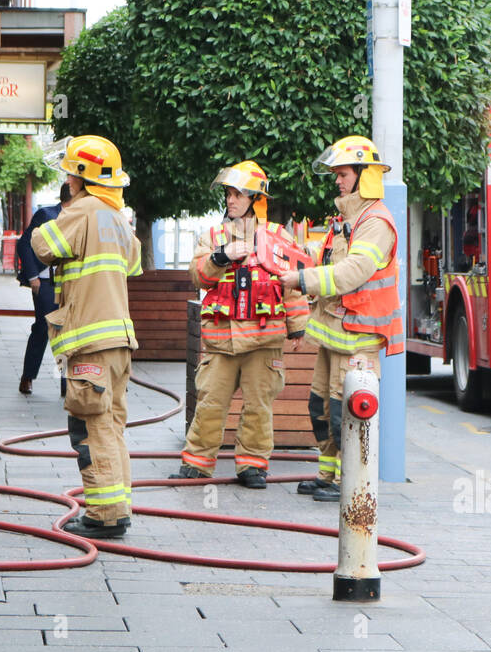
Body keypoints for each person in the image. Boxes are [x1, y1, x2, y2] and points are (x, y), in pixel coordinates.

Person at [280, 136, 404, 503]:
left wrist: (302, 280)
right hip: (336, 332)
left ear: (365, 175)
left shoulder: (376, 222)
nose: (337, 180)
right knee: (320, 406)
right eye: (335, 174)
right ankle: (327, 475)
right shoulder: (346, 220)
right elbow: (330, 268)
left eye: (343, 173)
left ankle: (350, 481)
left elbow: (353, 272)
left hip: (360, 335)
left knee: (345, 411)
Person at [32, 136, 142, 540]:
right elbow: (132, 263)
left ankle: (105, 515)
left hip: (90, 340)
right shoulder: (117, 217)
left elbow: (43, 246)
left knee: (89, 428)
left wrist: (57, 214)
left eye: (69, 172)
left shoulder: (83, 211)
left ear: (81, 178)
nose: (65, 177)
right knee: (111, 425)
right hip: (118, 340)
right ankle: (117, 506)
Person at [172, 161, 308, 488]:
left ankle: (252, 467)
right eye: (228, 194)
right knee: (210, 402)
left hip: (264, 340)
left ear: (255, 199)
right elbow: (198, 276)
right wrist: (221, 257)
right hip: (221, 340)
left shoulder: (278, 236)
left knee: (259, 406)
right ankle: (196, 464)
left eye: (238, 194)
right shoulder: (214, 236)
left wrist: (298, 326)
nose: (231, 200)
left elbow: (290, 283)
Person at [16, 183, 72, 395]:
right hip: (45, 282)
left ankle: (66, 384)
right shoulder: (47, 214)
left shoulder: (80, 218)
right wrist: (33, 278)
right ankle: (28, 376)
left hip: (69, 283)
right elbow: (24, 244)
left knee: (65, 332)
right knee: (43, 329)